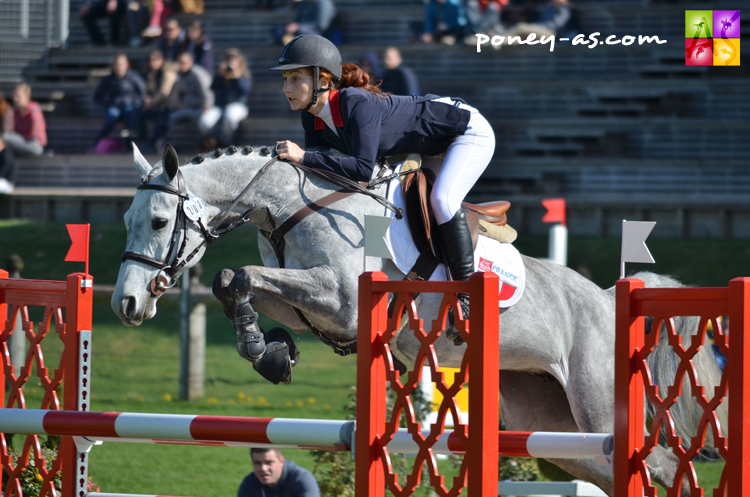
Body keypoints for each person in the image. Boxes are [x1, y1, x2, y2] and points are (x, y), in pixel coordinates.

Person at [271, 34, 494, 344]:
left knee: (442, 200)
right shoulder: (313, 118)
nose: (286, 88)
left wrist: (303, 156)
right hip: (426, 144)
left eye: (295, 78)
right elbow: (324, 172)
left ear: (322, 80)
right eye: (285, 79)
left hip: (465, 132)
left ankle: (468, 298)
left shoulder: (354, 102)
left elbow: (362, 170)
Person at [198, 49, 251, 148]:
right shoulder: (221, 74)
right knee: (204, 121)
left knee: (230, 117)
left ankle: (225, 143)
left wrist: (236, 76)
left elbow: (244, 91)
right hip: (219, 106)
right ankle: (212, 140)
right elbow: (212, 87)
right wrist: (219, 74)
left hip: (238, 105)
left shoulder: (243, 75)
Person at [93, 53, 146, 144]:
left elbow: (143, 92)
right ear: (113, 66)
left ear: (127, 65)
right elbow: (97, 97)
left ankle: (131, 143)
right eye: (117, 64)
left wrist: (137, 103)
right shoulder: (108, 79)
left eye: (121, 64)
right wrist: (107, 103)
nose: (119, 67)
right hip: (114, 107)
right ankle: (100, 141)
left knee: (131, 114)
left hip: (130, 107)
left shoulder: (133, 77)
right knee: (112, 115)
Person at [166, 51, 214, 143]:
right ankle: (172, 144)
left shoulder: (197, 75)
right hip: (188, 106)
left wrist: (186, 103)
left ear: (190, 62)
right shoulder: (180, 75)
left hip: (202, 107)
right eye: (179, 62)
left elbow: (205, 97)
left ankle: (203, 145)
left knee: (174, 117)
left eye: (183, 63)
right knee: (168, 115)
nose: (181, 65)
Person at [237, 448, 319, 497]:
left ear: (281, 461)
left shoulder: (302, 480)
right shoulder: (249, 484)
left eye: (269, 462)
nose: (263, 468)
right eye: (257, 463)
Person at [141, 49, 177, 145]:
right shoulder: (151, 73)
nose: (152, 63)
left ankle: (152, 143)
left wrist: (151, 103)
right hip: (157, 105)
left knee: (162, 120)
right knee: (137, 114)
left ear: (162, 60)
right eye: (150, 60)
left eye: (155, 60)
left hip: (169, 105)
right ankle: (144, 141)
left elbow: (164, 93)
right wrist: (147, 99)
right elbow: (148, 89)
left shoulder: (168, 72)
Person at [3, 84, 47, 157]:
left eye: (18, 96)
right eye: (14, 96)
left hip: (35, 145)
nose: (15, 99)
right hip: (23, 144)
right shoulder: (16, 113)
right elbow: (14, 132)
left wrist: (18, 138)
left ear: (26, 96)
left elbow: (34, 136)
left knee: (4, 137)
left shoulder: (33, 109)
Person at [273, 0, 337, 46]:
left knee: (298, 31)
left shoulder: (323, 3)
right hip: (299, 30)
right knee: (276, 30)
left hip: (316, 32)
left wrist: (299, 27)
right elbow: (297, 20)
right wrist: (292, 26)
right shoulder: (304, 3)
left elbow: (322, 25)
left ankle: (291, 43)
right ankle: (290, 42)